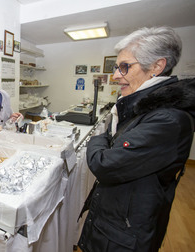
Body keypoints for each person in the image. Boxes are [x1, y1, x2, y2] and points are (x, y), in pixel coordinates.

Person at [78, 27, 195, 252]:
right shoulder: (143, 108)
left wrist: (98, 138)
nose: (115, 76)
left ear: (157, 67)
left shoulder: (167, 120)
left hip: (126, 235)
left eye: (125, 67)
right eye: (116, 67)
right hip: (114, 220)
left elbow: (104, 163)